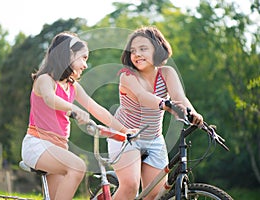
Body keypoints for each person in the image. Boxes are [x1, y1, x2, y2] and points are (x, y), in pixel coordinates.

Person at [21, 32, 130, 200]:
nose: (85, 65)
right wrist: (74, 109)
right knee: (78, 167)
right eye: (83, 58)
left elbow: (97, 110)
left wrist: (125, 131)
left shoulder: (73, 87)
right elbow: (50, 99)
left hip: (58, 148)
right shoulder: (44, 80)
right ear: (67, 56)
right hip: (37, 145)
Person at [107, 26, 204, 200]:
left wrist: (194, 114)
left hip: (153, 139)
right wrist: (166, 104)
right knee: (130, 186)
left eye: (143, 49)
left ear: (157, 50)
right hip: (125, 136)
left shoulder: (167, 73)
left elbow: (179, 97)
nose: (137, 54)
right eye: (133, 51)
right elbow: (142, 96)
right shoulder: (127, 75)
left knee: (154, 195)